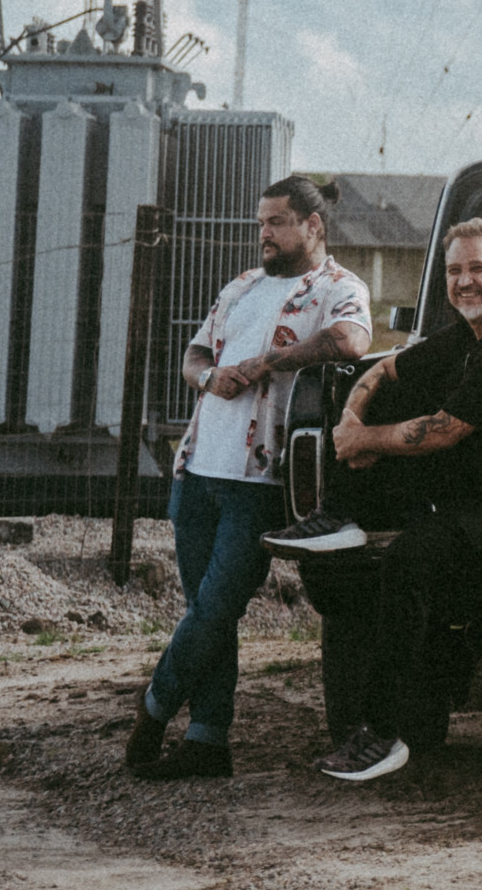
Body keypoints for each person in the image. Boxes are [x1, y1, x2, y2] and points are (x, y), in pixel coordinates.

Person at [272, 218, 482, 782]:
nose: (464, 281)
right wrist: (349, 419)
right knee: (392, 392)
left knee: (408, 564)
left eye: (477, 269)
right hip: (474, 492)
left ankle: (386, 734)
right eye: (455, 270)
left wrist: (361, 440)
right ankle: (339, 516)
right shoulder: (472, 331)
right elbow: (385, 366)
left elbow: (442, 431)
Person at [125, 175, 372, 780]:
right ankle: (209, 742)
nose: (262, 233)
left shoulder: (339, 287)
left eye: (275, 222)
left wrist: (267, 362)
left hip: (257, 480)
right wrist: (211, 379)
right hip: (196, 470)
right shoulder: (240, 287)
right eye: (260, 222)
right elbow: (194, 355)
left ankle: (153, 710)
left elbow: (352, 339)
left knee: (214, 608)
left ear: (312, 226)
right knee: (202, 612)